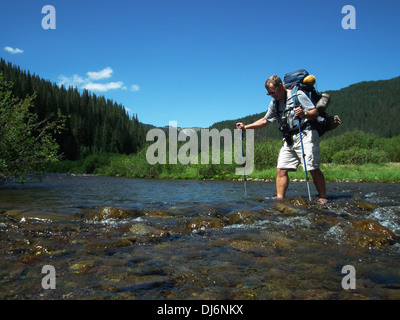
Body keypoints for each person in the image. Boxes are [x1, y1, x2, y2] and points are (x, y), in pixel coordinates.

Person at [236, 74, 327, 204]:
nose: (272, 95)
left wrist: (304, 113)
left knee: (312, 167)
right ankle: (280, 198)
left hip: (306, 134)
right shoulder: (274, 103)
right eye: (269, 94)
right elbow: (264, 120)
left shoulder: (298, 95)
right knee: (281, 169)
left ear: (281, 86)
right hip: (288, 138)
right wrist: (245, 127)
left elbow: (315, 113)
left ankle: (322, 197)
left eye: (273, 92)